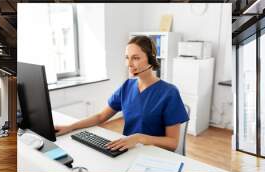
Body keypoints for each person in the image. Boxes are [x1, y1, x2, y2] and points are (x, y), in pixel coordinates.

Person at [55, 35, 189, 152]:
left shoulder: (169, 92)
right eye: (127, 58)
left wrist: (139, 138)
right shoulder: (127, 86)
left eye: (135, 58)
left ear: (151, 59)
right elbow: (101, 116)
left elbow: (172, 143)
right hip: (129, 151)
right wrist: (70, 127)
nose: (129, 64)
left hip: (154, 154)